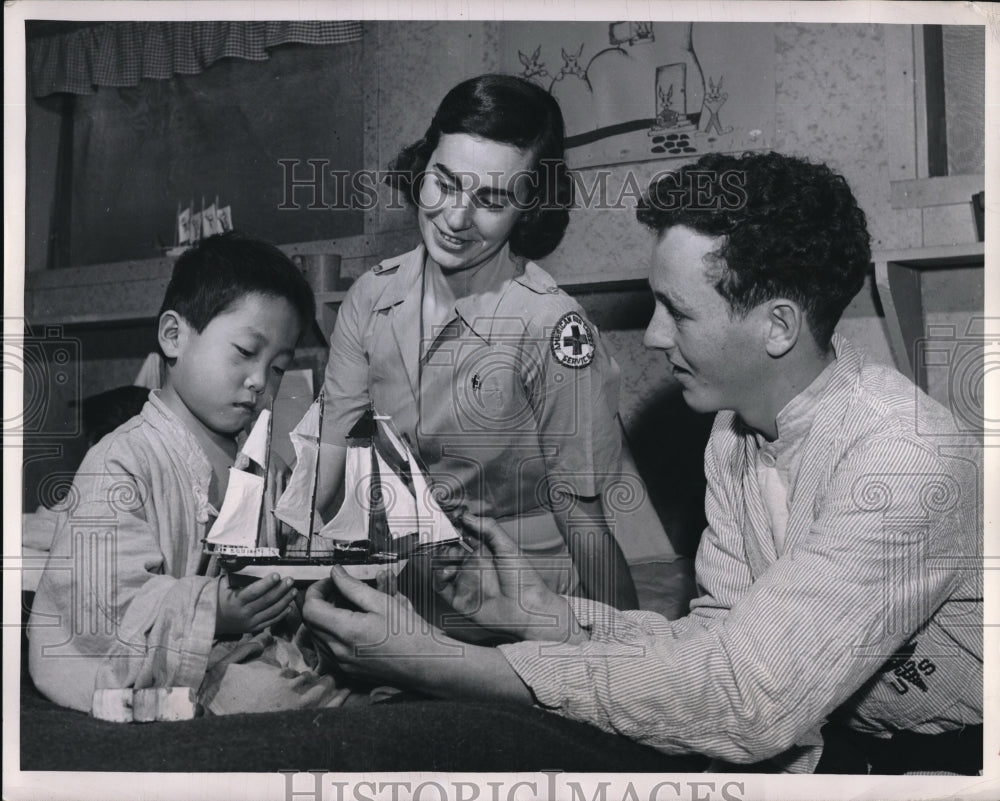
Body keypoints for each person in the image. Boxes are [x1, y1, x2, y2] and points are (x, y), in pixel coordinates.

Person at [302, 152, 983, 773]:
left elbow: (746, 698)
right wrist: (547, 619)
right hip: (837, 744)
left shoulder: (904, 459)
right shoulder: (736, 431)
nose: (653, 336)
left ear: (777, 326)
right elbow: (715, 643)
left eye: (676, 311)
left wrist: (442, 664)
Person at [315, 74, 637, 610]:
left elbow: (584, 521)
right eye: (443, 182)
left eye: (491, 199)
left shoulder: (551, 326)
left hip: (525, 597)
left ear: (529, 206)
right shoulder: (370, 298)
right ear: (422, 168)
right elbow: (329, 457)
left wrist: (629, 652)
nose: (456, 218)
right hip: (405, 581)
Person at [28, 232, 357, 716]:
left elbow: (294, 547)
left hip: (243, 648)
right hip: (160, 664)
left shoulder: (262, 464)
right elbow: (103, 601)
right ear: (174, 336)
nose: (260, 381)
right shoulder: (121, 461)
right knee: (272, 698)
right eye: (246, 351)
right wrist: (215, 611)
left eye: (278, 367)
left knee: (358, 655)